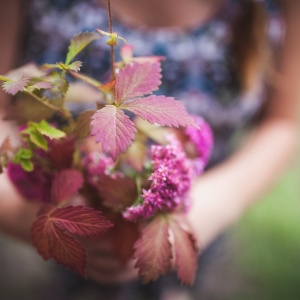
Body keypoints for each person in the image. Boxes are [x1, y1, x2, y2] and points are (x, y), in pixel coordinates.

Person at [0, 0, 299, 298]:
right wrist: (32, 217)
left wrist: (207, 208)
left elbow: (284, 122)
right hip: (61, 220)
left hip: (203, 229)